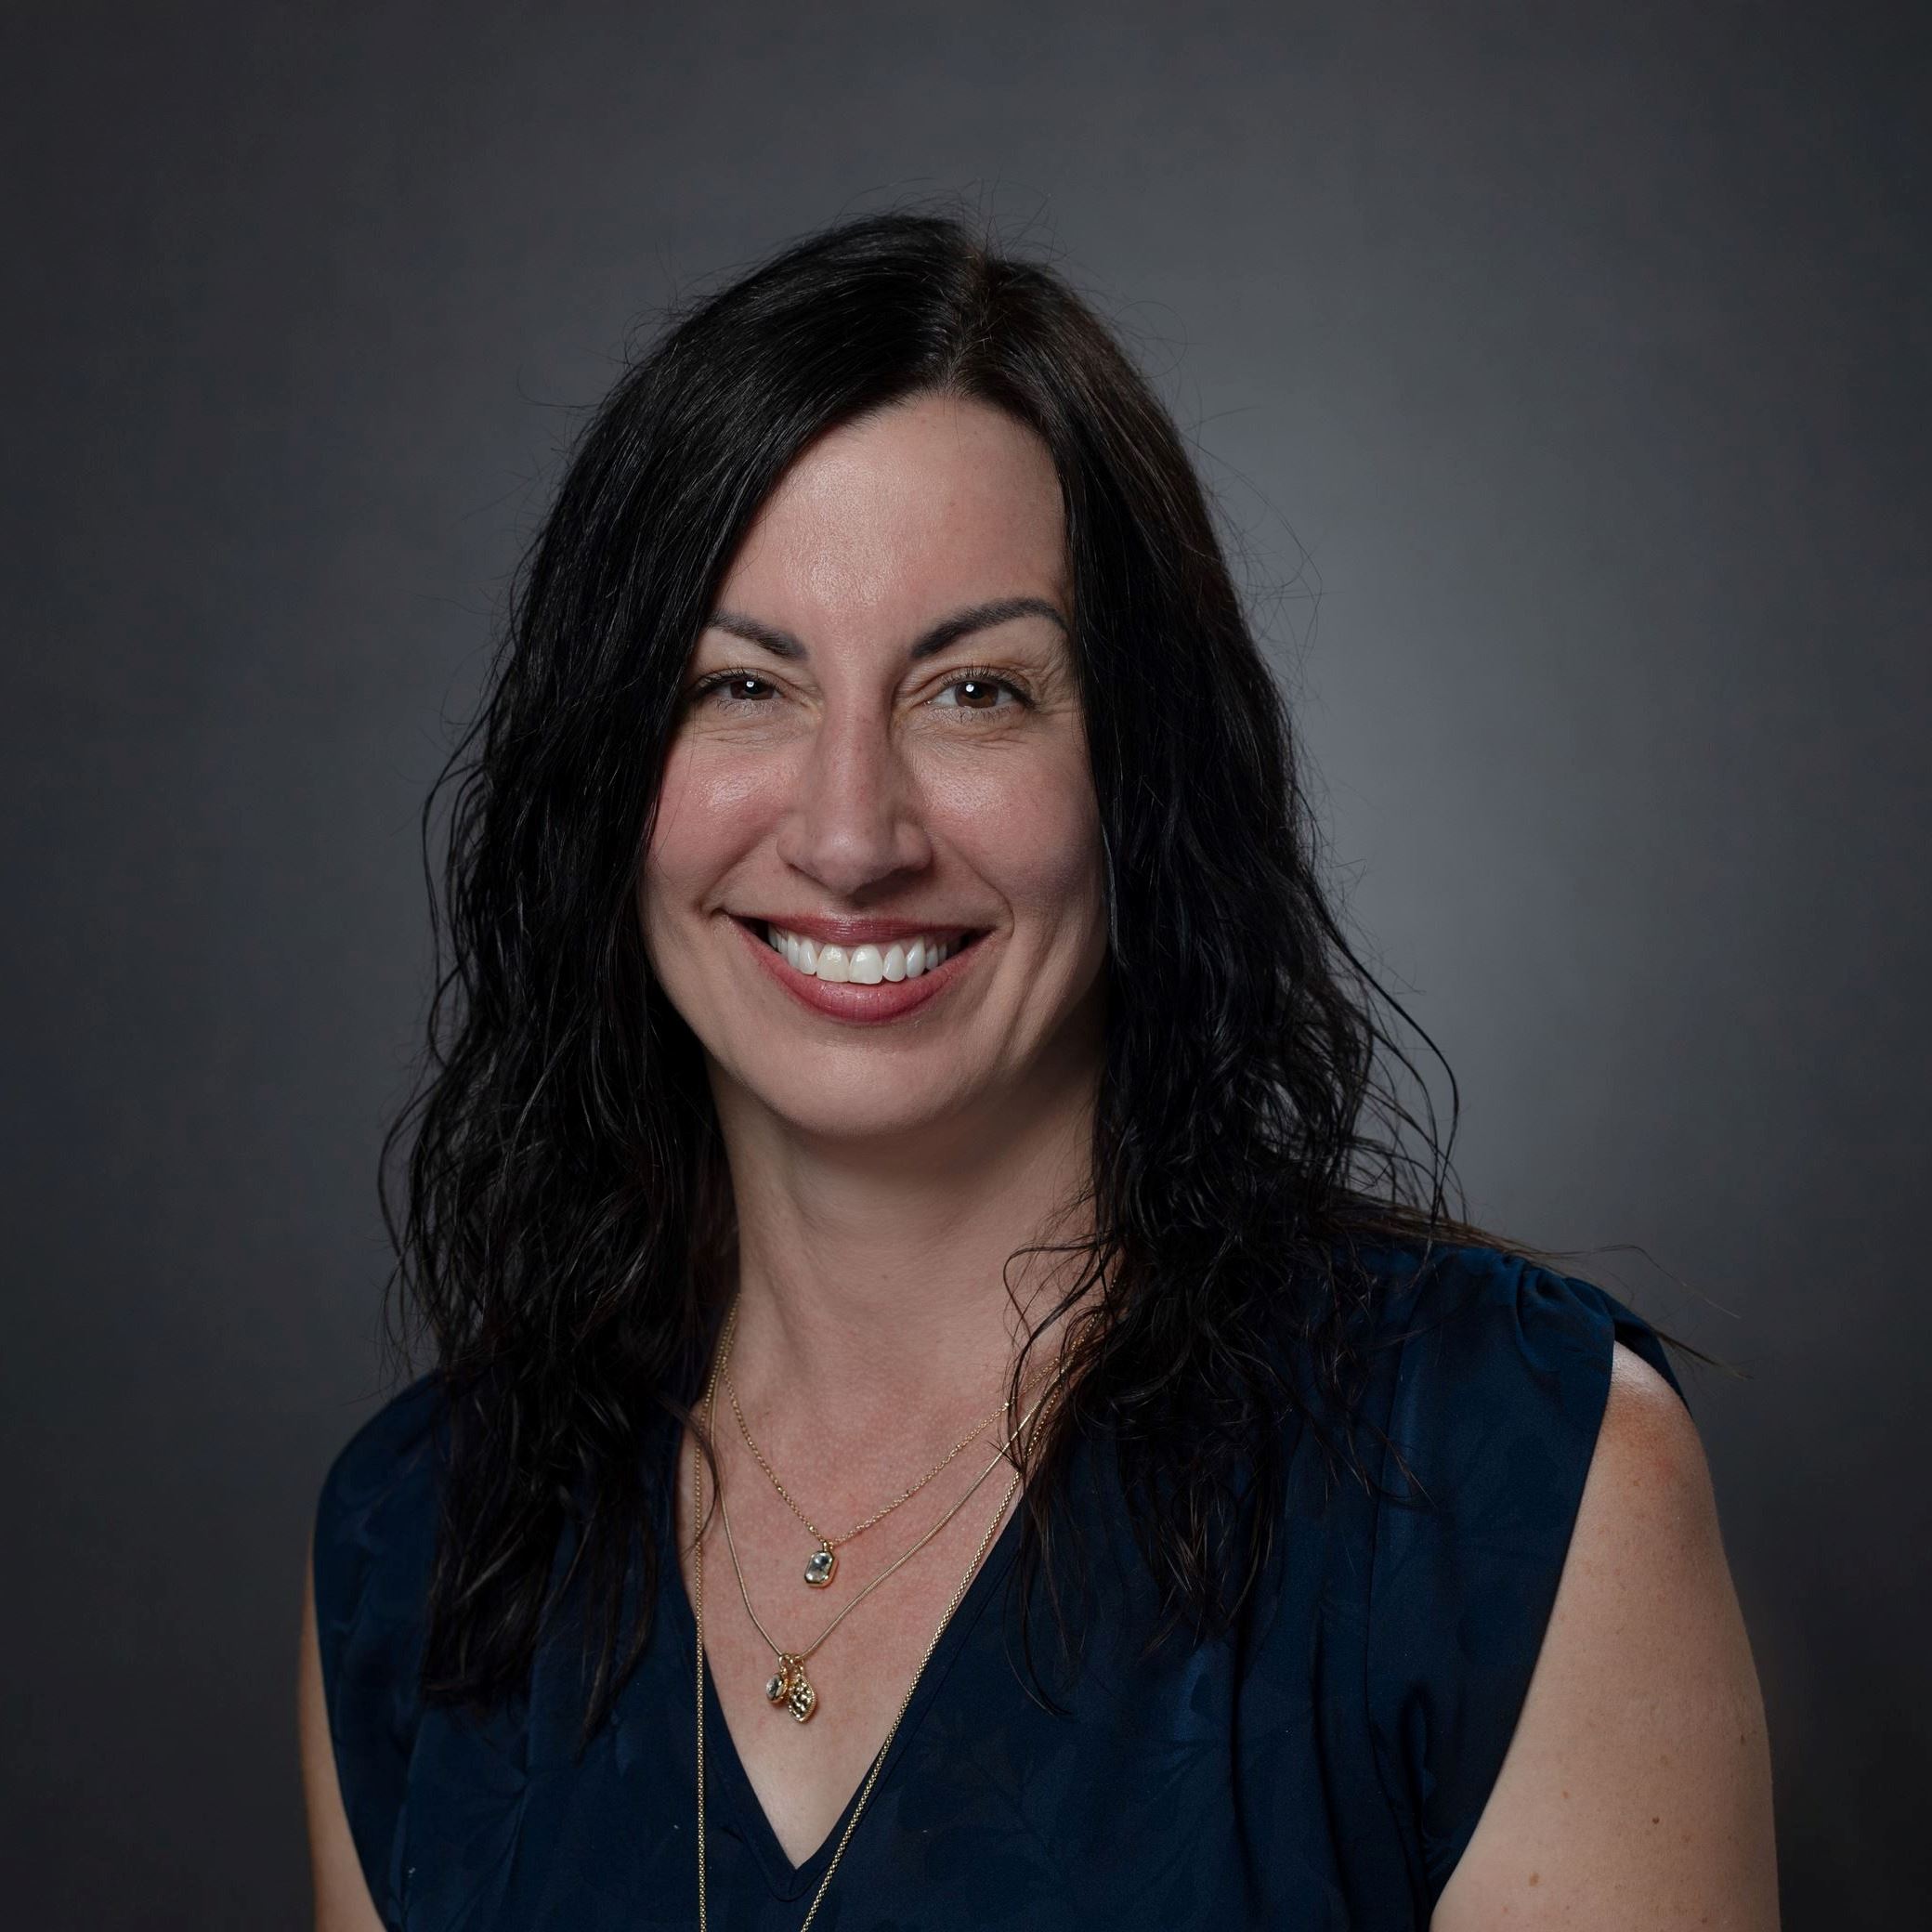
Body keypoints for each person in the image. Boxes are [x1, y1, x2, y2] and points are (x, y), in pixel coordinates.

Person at [297, 209, 1779, 1930]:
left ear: (1143, 779)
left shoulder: (1507, 1484)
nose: (851, 836)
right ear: (601, 777)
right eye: (739, 686)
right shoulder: (419, 1544)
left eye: (978, 691)